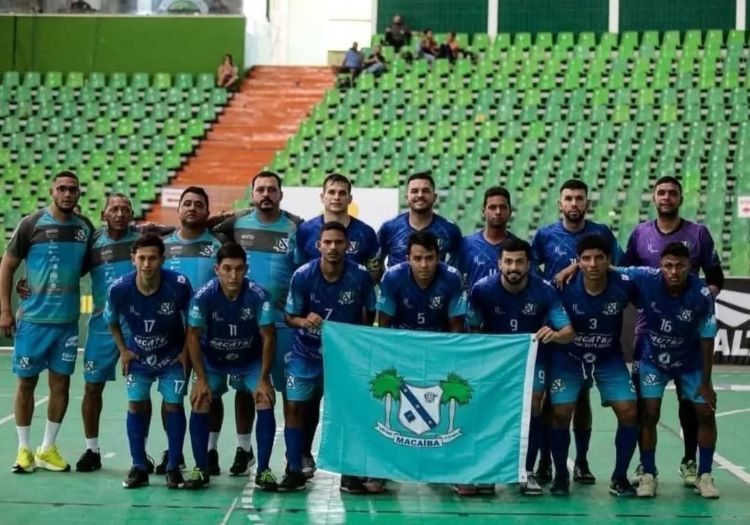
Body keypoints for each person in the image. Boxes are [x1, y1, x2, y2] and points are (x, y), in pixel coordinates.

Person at [622, 175, 724, 487]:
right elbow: (623, 276)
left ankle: (690, 462)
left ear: (680, 198)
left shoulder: (699, 233)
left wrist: (694, 305)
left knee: (690, 404)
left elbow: (715, 276)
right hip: (647, 332)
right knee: (646, 407)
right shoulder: (640, 233)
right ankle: (645, 467)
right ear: (654, 198)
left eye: (672, 193)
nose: (666, 197)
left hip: (688, 334)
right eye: (661, 193)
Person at [1, 170, 94, 474]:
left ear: (79, 193)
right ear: (52, 192)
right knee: (26, 383)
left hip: (66, 323)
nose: (67, 194)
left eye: (72, 189)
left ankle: (47, 448)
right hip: (33, 320)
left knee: (61, 384)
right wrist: (5, 310)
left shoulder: (85, 227)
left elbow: (83, 266)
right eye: (61, 188)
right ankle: (23, 449)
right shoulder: (31, 224)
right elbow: (7, 264)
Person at [212, 171, 305, 474]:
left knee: (290, 392)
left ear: (281, 194)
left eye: (271, 189)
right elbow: (201, 226)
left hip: (284, 323)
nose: (266, 194)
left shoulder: (295, 227)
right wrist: (234, 213)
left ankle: (294, 456)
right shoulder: (237, 225)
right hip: (246, 324)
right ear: (252, 194)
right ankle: (244, 449)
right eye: (260, 189)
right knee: (244, 390)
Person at [532, 178, 623, 485]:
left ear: (587, 202)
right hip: (556, 324)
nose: (574, 203)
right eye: (568, 198)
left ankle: (581, 461)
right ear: (559, 203)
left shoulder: (602, 233)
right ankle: (545, 461)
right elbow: (533, 272)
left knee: (582, 396)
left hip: (592, 324)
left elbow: (618, 267)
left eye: (579, 198)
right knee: (551, 399)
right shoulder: (545, 235)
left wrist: (576, 266)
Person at [468, 238, 574, 496]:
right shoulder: (482, 290)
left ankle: (526, 471)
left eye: (519, 262)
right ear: (499, 264)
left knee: (534, 403)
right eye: (508, 262)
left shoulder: (544, 290)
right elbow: (472, 329)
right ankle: (488, 472)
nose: (513, 267)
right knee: (490, 409)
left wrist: (555, 335)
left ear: (529, 264)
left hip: (531, 359)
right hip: (494, 361)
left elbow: (568, 331)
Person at [280, 221, 376, 492]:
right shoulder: (302, 275)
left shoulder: (361, 277)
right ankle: (294, 468)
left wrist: (358, 342)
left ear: (348, 246)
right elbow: (289, 317)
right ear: (318, 245)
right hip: (305, 354)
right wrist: (303, 321)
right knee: (295, 407)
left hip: (345, 359)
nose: (333, 247)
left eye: (339, 242)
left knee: (349, 411)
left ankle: (350, 473)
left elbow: (371, 314)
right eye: (328, 242)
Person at [377, 230, 468, 495]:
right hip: (401, 351)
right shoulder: (392, 277)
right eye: (417, 258)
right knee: (388, 409)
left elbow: (456, 328)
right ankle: (383, 470)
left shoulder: (452, 278)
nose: (424, 265)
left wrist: (450, 363)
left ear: (439, 257)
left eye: (429, 258)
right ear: (408, 258)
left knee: (448, 410)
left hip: (440, 351)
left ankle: (451, 470)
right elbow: (383, 326)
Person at [184, 242, 279, 491]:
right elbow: (193, 336)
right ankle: (200, 468)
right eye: (227, 269)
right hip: (213, 360)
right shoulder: (202, 297)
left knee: (265, 398)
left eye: (238, 269)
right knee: (201, 399)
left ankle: (264, 470)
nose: (233, 275)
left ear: (246, 269)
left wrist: (264, 379)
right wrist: (200, 379)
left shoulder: (259, 296)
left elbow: (269, 337)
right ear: (217, 269)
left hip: (249, 360)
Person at [550, 235, 639, 497]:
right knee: (561, 412)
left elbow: (653, 282)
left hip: (607, 358)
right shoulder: (562, 284)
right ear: (578, 261)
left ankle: (619, 477)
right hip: (569, 357)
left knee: (629, 411)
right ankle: (561, 475)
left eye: (599, 258)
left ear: (609, 260)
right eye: (586, 259)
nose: (593, 264)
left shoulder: (625, 283)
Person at [105, 234, 193, 489]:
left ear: (162, 260)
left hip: (172, 356)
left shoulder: (178, 284)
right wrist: (123, 349)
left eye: (152, 258)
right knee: (135, 404)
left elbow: (193, 321)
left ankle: (173, 466)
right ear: (133, 259)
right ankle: (139, 466)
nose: (146, 264)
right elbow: (111, 321)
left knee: (174, 405)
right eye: (141, 258)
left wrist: (186, 351)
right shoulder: (119, 289)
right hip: (138, 356)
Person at [155, 186, 226, 475]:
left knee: (212, 394)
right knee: (171, 396)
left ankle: (210, 450)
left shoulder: (219, 245)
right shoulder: (163, 246)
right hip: (171, 336)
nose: (192, 208)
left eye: (199, 204)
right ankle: (173, 451)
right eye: (187, 203)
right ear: (179, 209)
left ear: (207, 212)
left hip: (209, 335)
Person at [296, 173, 380, 278]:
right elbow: (298, 269)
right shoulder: (305, 230)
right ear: (322, 197)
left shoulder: (366, 232)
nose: (336, 197)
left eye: (342, 193)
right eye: (331, 192)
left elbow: (374, 271)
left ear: (350, 199)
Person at [378, 172, 462, 269]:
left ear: (434, 197)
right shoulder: (389, 228)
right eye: (414, 191)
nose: (420, 195)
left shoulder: (450, 230)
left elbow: (457, 267)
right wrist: (387, 278)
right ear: (407, 197)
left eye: (425, 191)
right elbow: (375, 263)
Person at [456, 186, 517, 291]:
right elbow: (454, 279)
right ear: (483, 211)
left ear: (510, 212)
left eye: (503, 207)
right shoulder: (466, 244)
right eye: (492, 207)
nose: (498, 212)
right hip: (476, 301)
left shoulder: (518, 247)